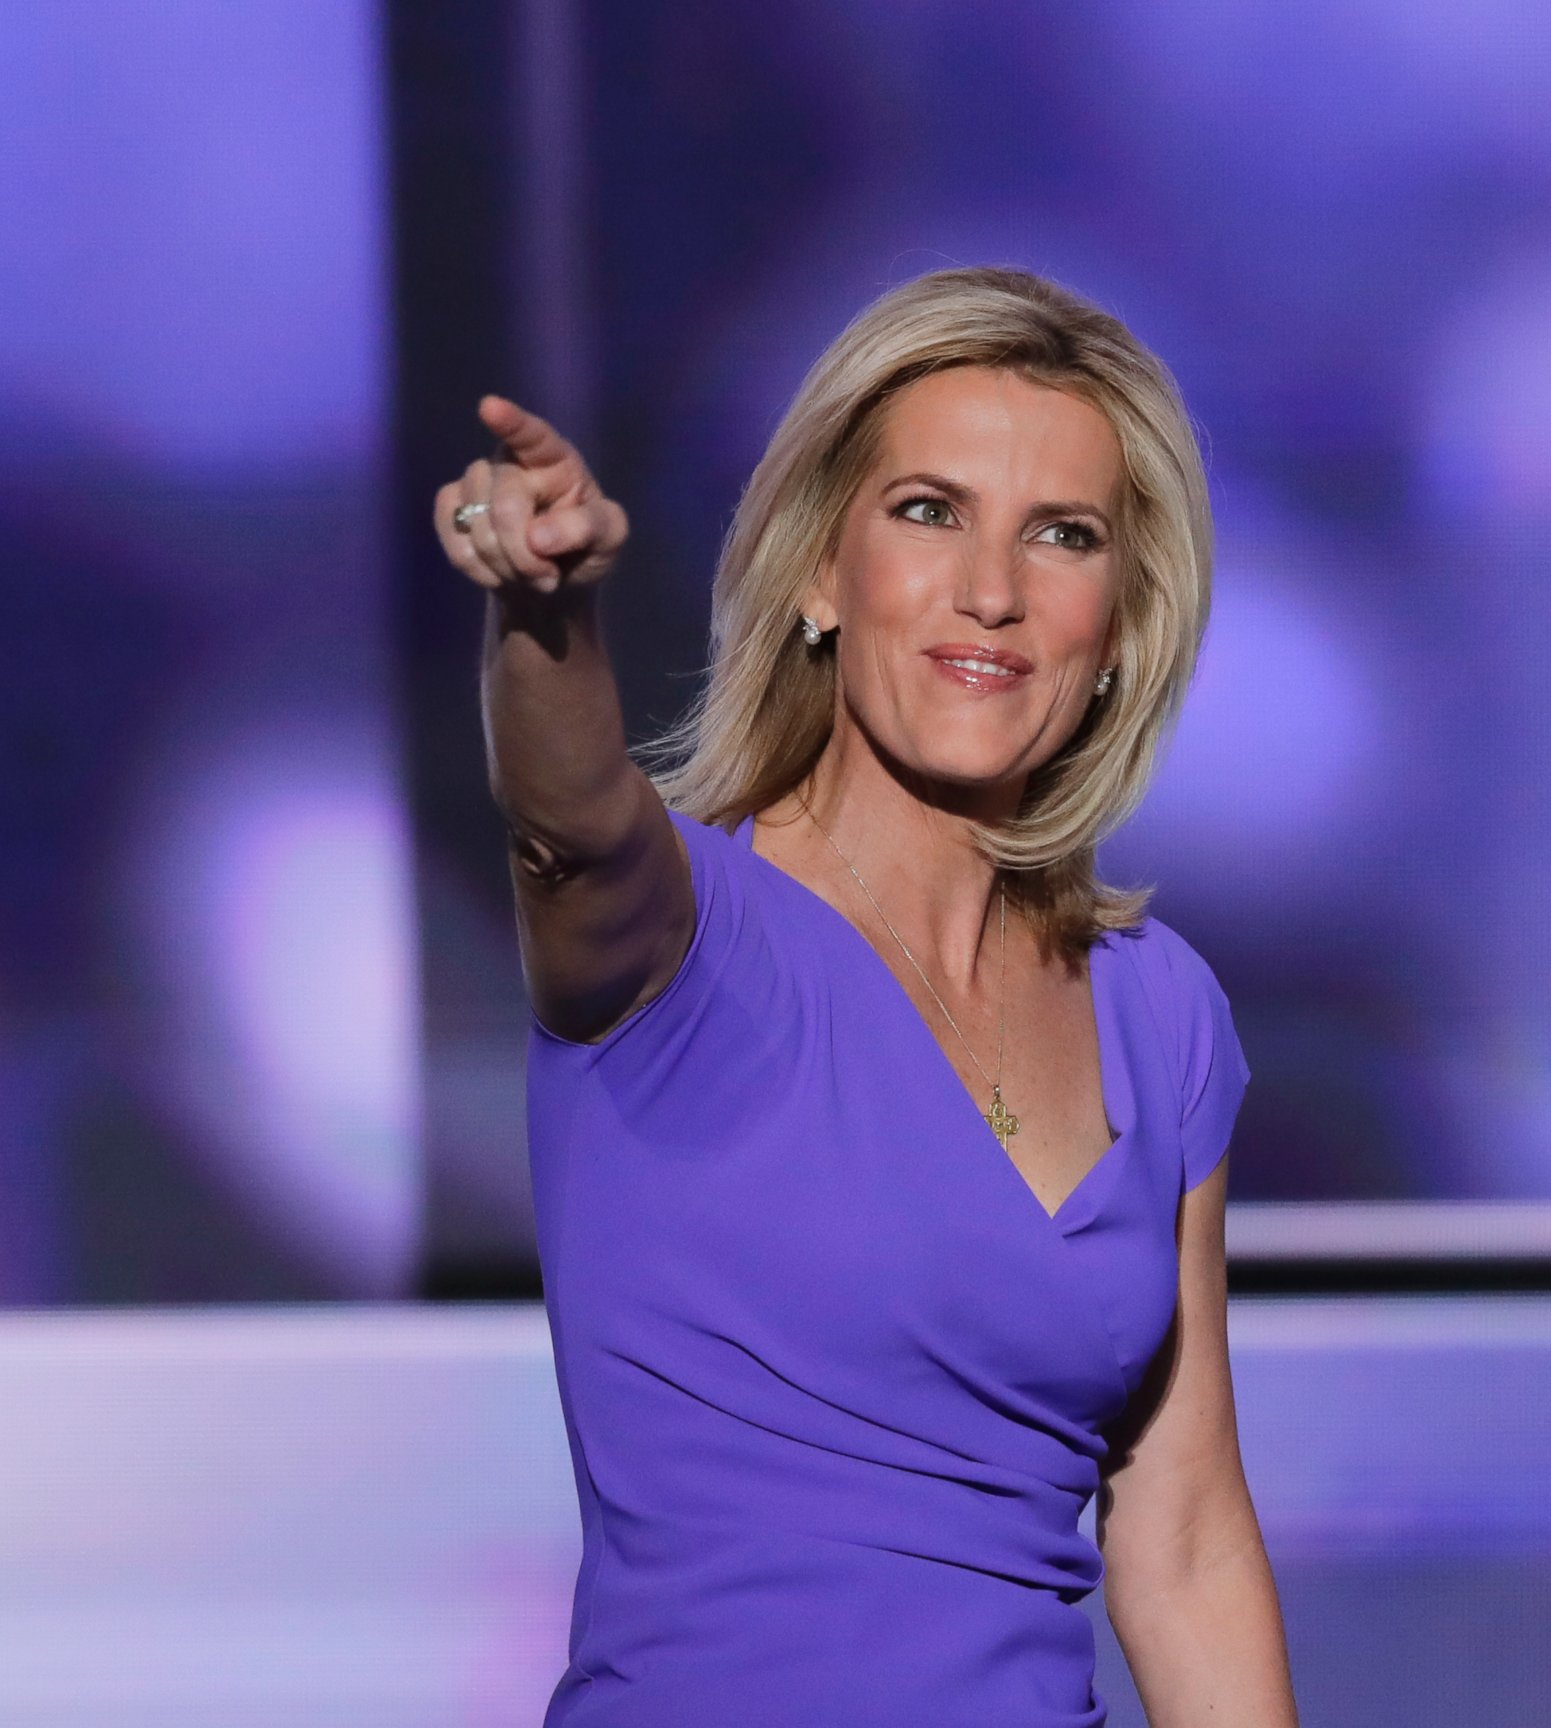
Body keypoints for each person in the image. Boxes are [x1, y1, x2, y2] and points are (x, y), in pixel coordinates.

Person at [431, 266, 1301, 1727]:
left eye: (1063, 536)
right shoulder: (680, 940)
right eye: (928, 510)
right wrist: (547, 618)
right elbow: (569, 819)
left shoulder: (1163, 1012)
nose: (993, 591)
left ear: (1118, 627)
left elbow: (1189, 1544)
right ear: (820, 573)